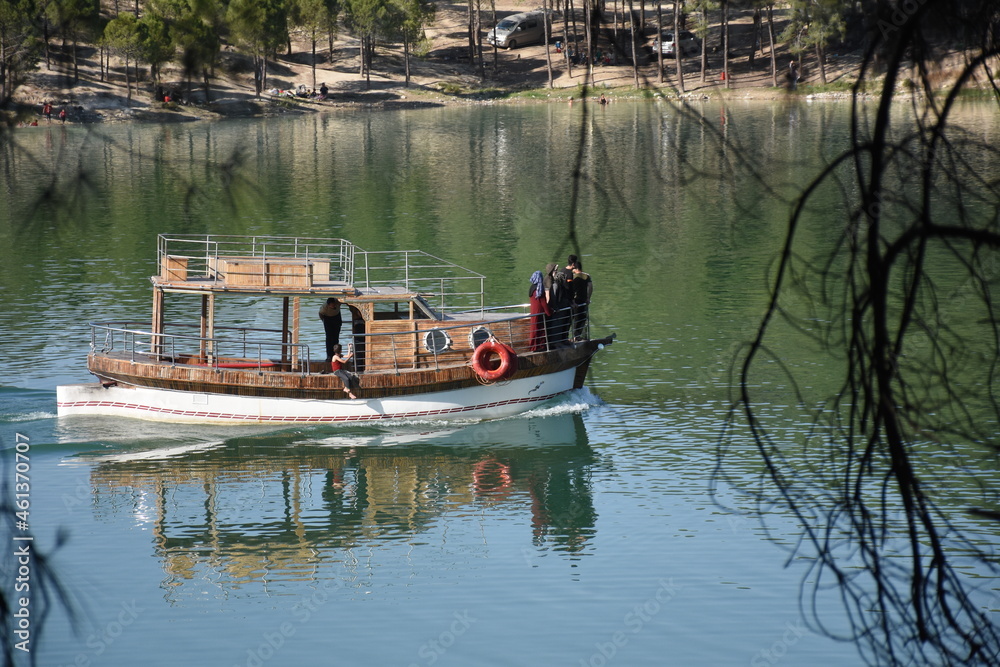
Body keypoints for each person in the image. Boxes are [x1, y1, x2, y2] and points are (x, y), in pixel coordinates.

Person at [528, 270, 552, 351]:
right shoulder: (539, 289)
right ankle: (538, 347)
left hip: (534, 311)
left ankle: (533, 347)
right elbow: (543, 303)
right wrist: (549, 312)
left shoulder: (532, 288)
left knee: (534, 329)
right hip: (539, 312)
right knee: (539, 329)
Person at [570, 264, 593, 340]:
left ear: (576, 268)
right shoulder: (587, 276)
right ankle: (577, 336)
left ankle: (573, 337)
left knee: (574, 318)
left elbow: (571, 289)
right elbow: (590, 287)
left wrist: (572, 300)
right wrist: (588, 298)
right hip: (583, 300)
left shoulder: (573, 277)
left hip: (575, 300)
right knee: (582, 318)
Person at [319, 297, 343, 362]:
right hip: (327, 318)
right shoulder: (324, 307)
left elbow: (346, 301)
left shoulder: (338, 302)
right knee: (329, 338)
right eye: (332, 305)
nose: (333, 306)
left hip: (336, 317)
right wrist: (324, 321)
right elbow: (320, 314)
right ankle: (329, 355)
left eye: (334, 304)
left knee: (336, 337)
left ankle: (336, 354)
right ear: (328, 305)